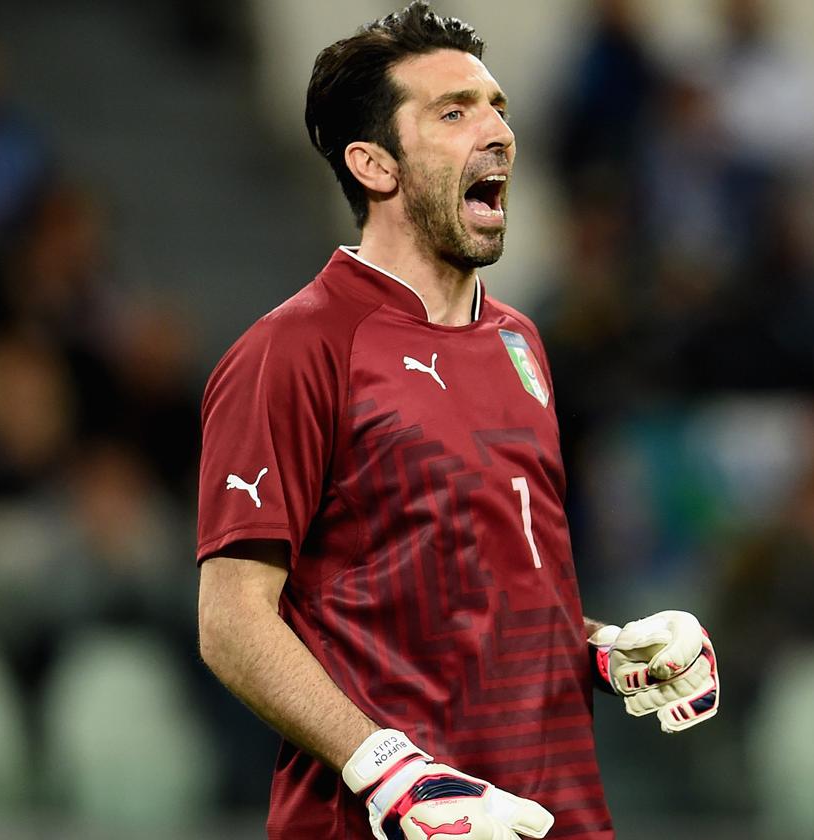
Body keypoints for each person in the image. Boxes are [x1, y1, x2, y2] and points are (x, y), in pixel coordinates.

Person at [194, 4, 718, 839]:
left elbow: (493, 591)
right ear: (374, 164)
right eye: (454, 111)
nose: (498, 130)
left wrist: (608, 652)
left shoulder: (522, 343)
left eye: (496, 104)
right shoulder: (294, 349)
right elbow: (231, 621)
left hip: (560, 817)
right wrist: (389, 771)